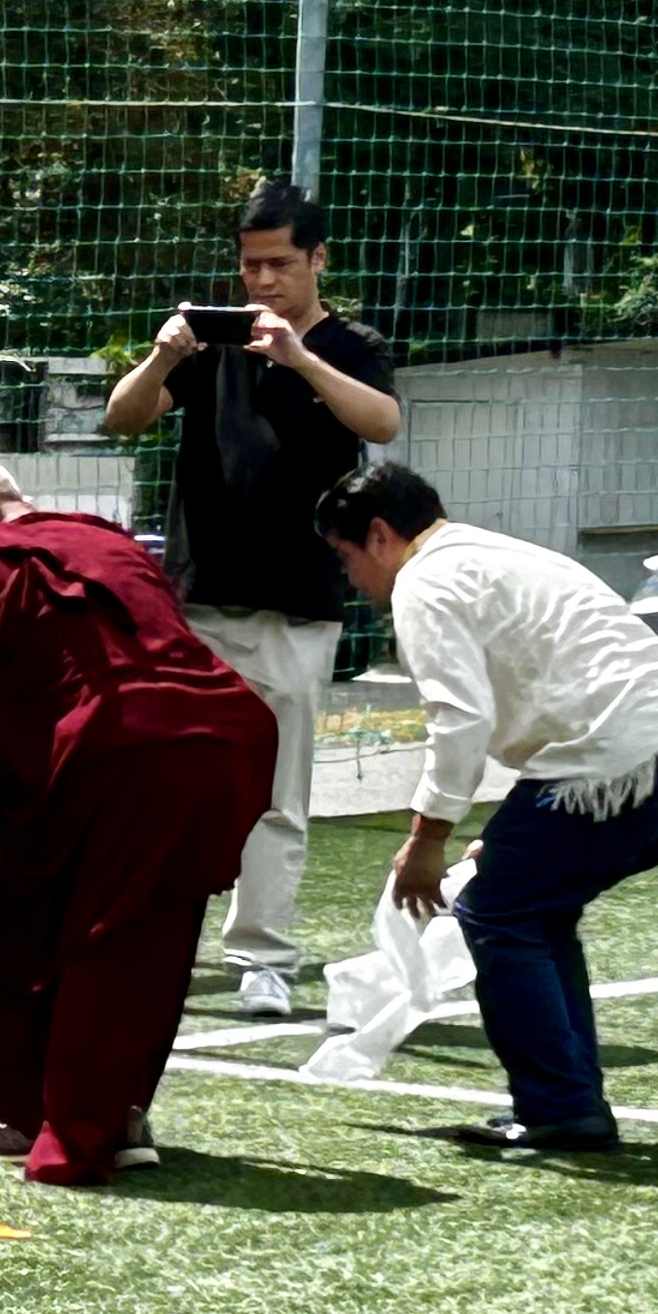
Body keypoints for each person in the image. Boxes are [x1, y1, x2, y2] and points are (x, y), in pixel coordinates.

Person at [315, 464, 658, 1153]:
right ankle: (567, 1101)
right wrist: (512, 835)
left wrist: (428, 838)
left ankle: (559, 1106)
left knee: (499, 911)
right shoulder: (501, 552)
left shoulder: (424, 582)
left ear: (380, 536)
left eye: (345, 556)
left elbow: (461, 719)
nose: (351, 580)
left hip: (613, 765)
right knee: (536, 912)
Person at [0, 460, 276, 1186]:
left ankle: (77, 1134)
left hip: (123, 750)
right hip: (225, 739)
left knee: (87, 939)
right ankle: (119, 1112)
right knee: (152, 941)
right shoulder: (120, 547)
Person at [99, 180, 400, 1019]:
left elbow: (382, 424)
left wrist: (300, 359)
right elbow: (122, 418)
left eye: (278, 265)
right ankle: (150, 945)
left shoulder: (350, 343)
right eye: (249, 266)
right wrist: (163, 356)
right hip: (196, 603)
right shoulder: (212, 347)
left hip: (298, 604)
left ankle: (263, 959)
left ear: (317, 261)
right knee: (169, 787)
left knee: (277, 795)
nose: (262, 282)